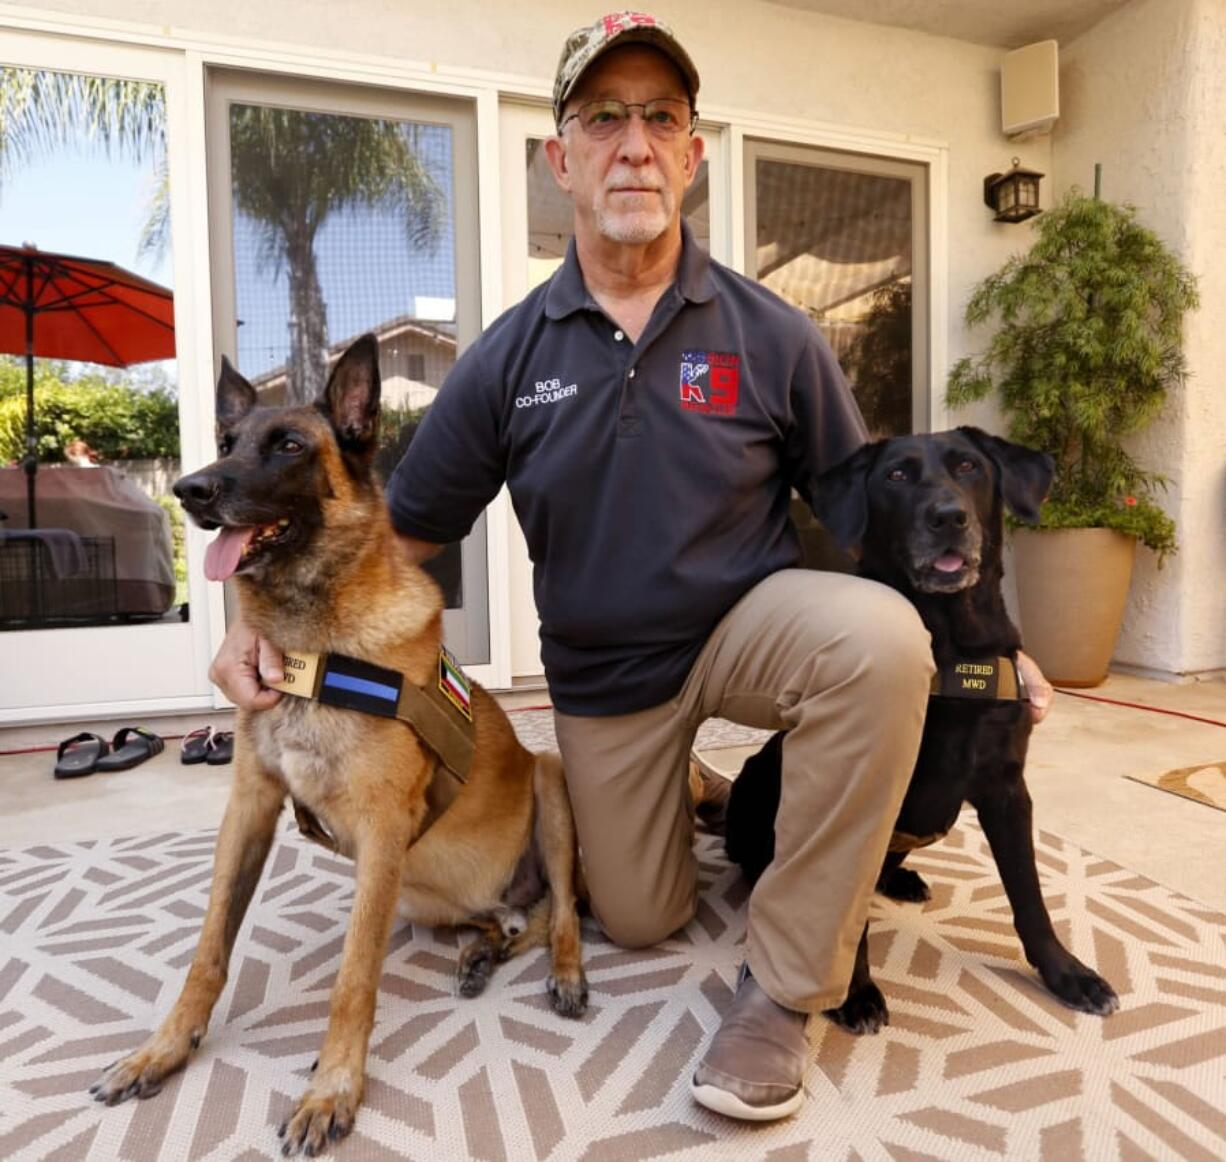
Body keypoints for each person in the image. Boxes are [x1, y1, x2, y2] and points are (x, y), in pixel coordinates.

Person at [211, 11, 1053, 1122]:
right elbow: (387, 528)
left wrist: (999, 646)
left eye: (660, 116)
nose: (633, 142)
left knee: (879, 644)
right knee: (640, 913)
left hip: (753, 626)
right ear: (559, 160)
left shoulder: (771, 334)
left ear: (692, 155)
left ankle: (786, 987)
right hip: (610, 677)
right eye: (601, 116)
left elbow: (873, 510)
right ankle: (695, 793)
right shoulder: (508, 355)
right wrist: (248, 623)